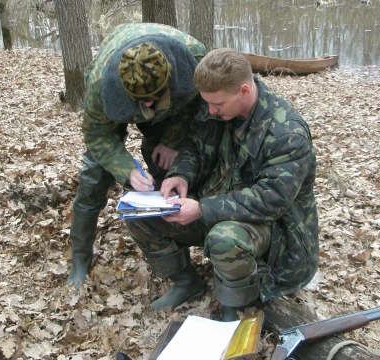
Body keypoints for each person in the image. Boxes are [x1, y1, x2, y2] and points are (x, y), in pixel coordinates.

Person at [125, 48, 319, 321]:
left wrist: (201, 209)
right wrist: (181, 175)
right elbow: (193, 146)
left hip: (273, 229)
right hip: (215, 205)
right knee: (140, 214)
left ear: (244, 91)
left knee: (224, 239)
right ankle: (185, 282)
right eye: (207, 104)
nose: (211, 110)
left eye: (217, 104)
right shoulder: (216, 106)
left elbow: (271, 200)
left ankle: (236, 304)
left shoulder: (286, 133)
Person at [66, 23, 206, 288]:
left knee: (167, 170)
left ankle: (179, 267)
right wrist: (125, 168)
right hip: (116, 100)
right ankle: (80, 258)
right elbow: (98, 136)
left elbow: (196, 105)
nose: (149, 105)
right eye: (143, 101)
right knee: (93, 178)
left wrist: (172, 141)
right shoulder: (101, 85)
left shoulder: (193, 62)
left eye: (154, 98)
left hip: (173, 111)